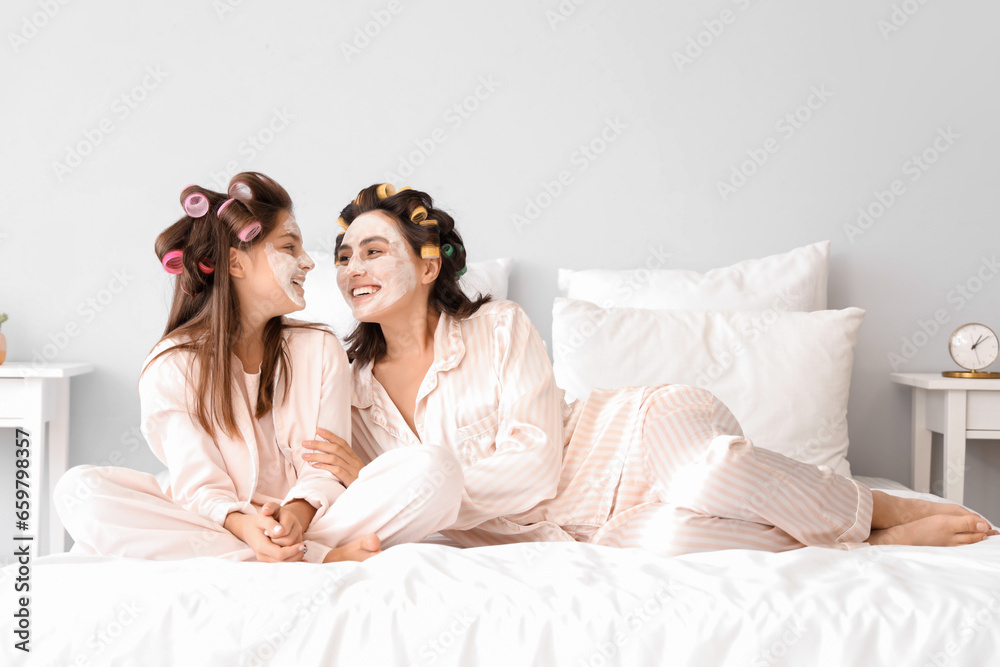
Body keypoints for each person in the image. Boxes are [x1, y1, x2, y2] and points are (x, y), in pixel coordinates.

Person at [301, 182, 997, 555]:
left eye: (371, 251)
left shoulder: (496, 327)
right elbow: (366, 495)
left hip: (633, 432)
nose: (351, 268)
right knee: (675, 539)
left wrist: (430, 489)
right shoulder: (349, 383)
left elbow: (536, 467)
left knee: (711, 472)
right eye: (342, 255)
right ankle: (861, 539)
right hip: (585, 526)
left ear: (427, 265)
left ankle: (872, 507)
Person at [55, 173, 463, 563]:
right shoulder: (172, 364)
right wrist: (249, 528)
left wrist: (297, 514)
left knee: (435, 470)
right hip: (216, 524)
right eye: (290, 248)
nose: (308, 262)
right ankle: (314, 560)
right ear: (236, 264)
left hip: (316, 521)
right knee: (79, 491)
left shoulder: (320, 349)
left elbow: (321, 470)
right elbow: (199, 488)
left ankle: (283, 555)